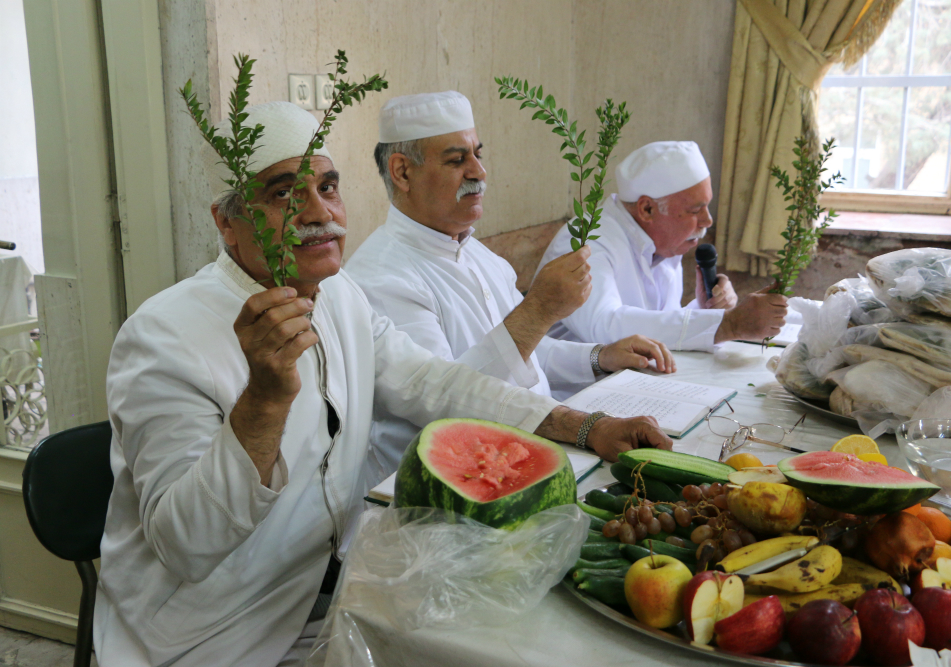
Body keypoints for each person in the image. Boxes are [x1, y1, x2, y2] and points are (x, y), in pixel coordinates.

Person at [94, 101, 671, 667]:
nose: (318, 212)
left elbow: (430, 381)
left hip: (337, 595)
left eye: (328, 187)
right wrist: (264, 401)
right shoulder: (163, 338)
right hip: (216, 637)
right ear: (227, 221)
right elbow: (188, 544)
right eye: (282, 195)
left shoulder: (339, 294)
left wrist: (584, 425)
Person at [346, 91, 675, 479]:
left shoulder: (479, 254)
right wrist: (539, 311)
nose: (478, 172)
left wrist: (598, 357)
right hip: (452, 491)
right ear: (402, 172)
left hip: (536, 455)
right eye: (457, 160)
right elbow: (444, 401)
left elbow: (525, 357)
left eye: (478, 155)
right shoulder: (380, 277)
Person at [538, 141, 788, 351]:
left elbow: (656, 325)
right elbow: (606, 328)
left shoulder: (662, 241)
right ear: (647, 209)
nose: (707, 220)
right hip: (572, 396)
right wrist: (728, 324)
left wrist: (706, 309)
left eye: (707, 206)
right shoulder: (587, 241)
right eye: (694, 210)